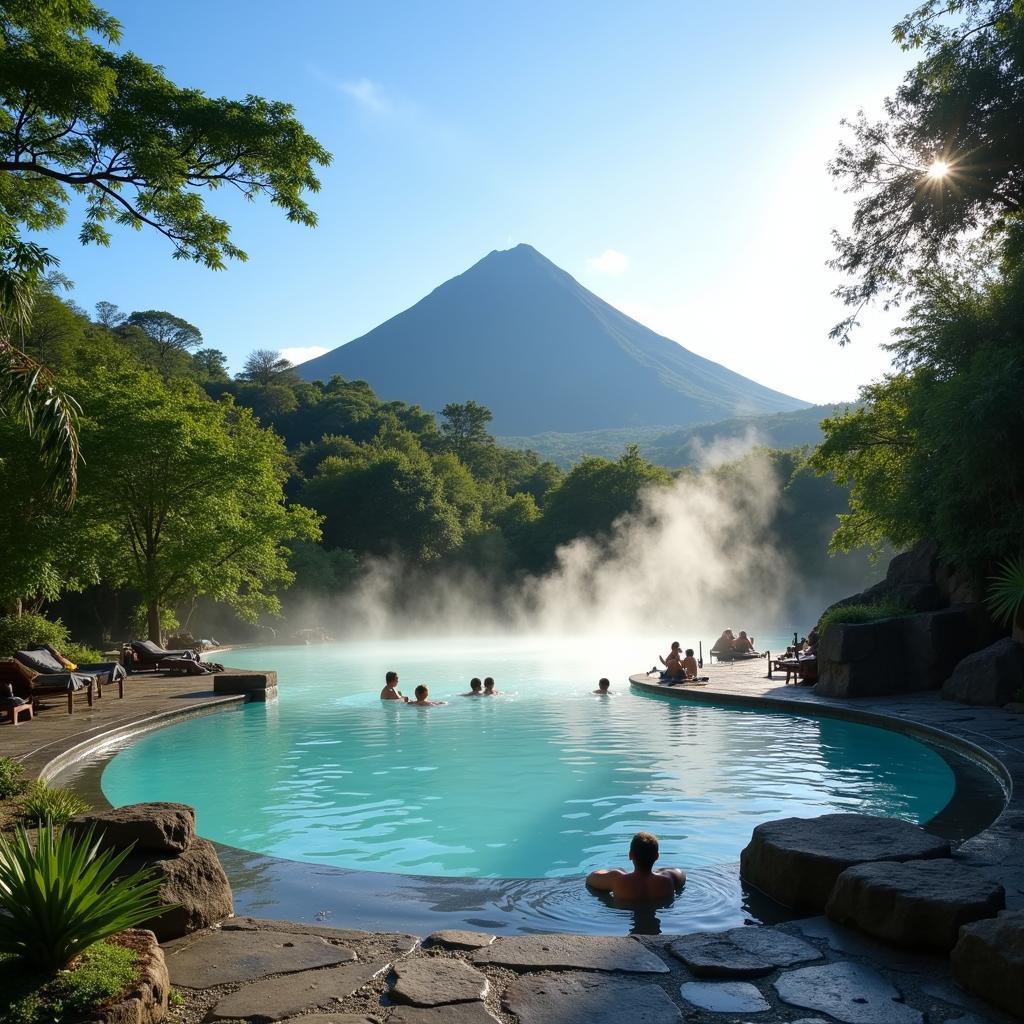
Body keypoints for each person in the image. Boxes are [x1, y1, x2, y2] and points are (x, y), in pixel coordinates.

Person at [586, 832, 686, 902]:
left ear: (630, 855)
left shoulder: (617, 879)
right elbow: (681, 874)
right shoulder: (668, 880)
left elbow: (590, 879)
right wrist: (660, 872)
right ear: (657, 857)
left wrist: (615, 872)